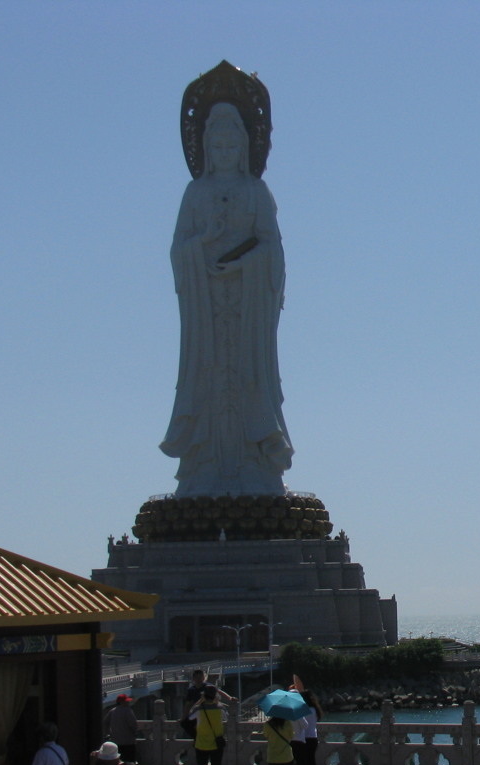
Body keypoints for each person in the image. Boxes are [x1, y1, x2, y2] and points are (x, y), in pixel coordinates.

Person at [160, 100, 293, 498]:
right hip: (207, 310)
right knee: (207, 377)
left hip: (248, 308)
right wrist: (203, 242)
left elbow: (274, 250)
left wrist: (245, 264)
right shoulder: (195, 192)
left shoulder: (256, 192)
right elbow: (177, 249)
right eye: (216, 148)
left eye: (231, 147)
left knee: (250, 377)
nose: (224, 155)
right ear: (205, 149)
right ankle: (203, 466)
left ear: (244, 148)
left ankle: (256, 465)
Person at [190, 686, 226, 765]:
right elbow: (225, 718)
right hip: (216, 744)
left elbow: (190, 717)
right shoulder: (220, 709)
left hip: (201, 743)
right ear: (215, 696)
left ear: (204, 696)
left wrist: (199, 702)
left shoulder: (199, 709)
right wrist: (218, 702)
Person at [291, 689, 323, 765]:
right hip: (313, 738)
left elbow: (303, 724)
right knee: (311, 764)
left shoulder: (304, 710)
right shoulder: (314, 709)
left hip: (305, 739)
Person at [105, 695, 140, 763]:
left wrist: (108, 733)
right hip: (128, 742)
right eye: (126, 701)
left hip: (116, 742)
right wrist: (136, 732)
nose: (128, 703)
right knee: (129, 762)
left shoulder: (112, 711)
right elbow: (133, 725)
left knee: (119, 761)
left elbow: (105, 722)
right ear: (121, 702)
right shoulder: (127, 710)